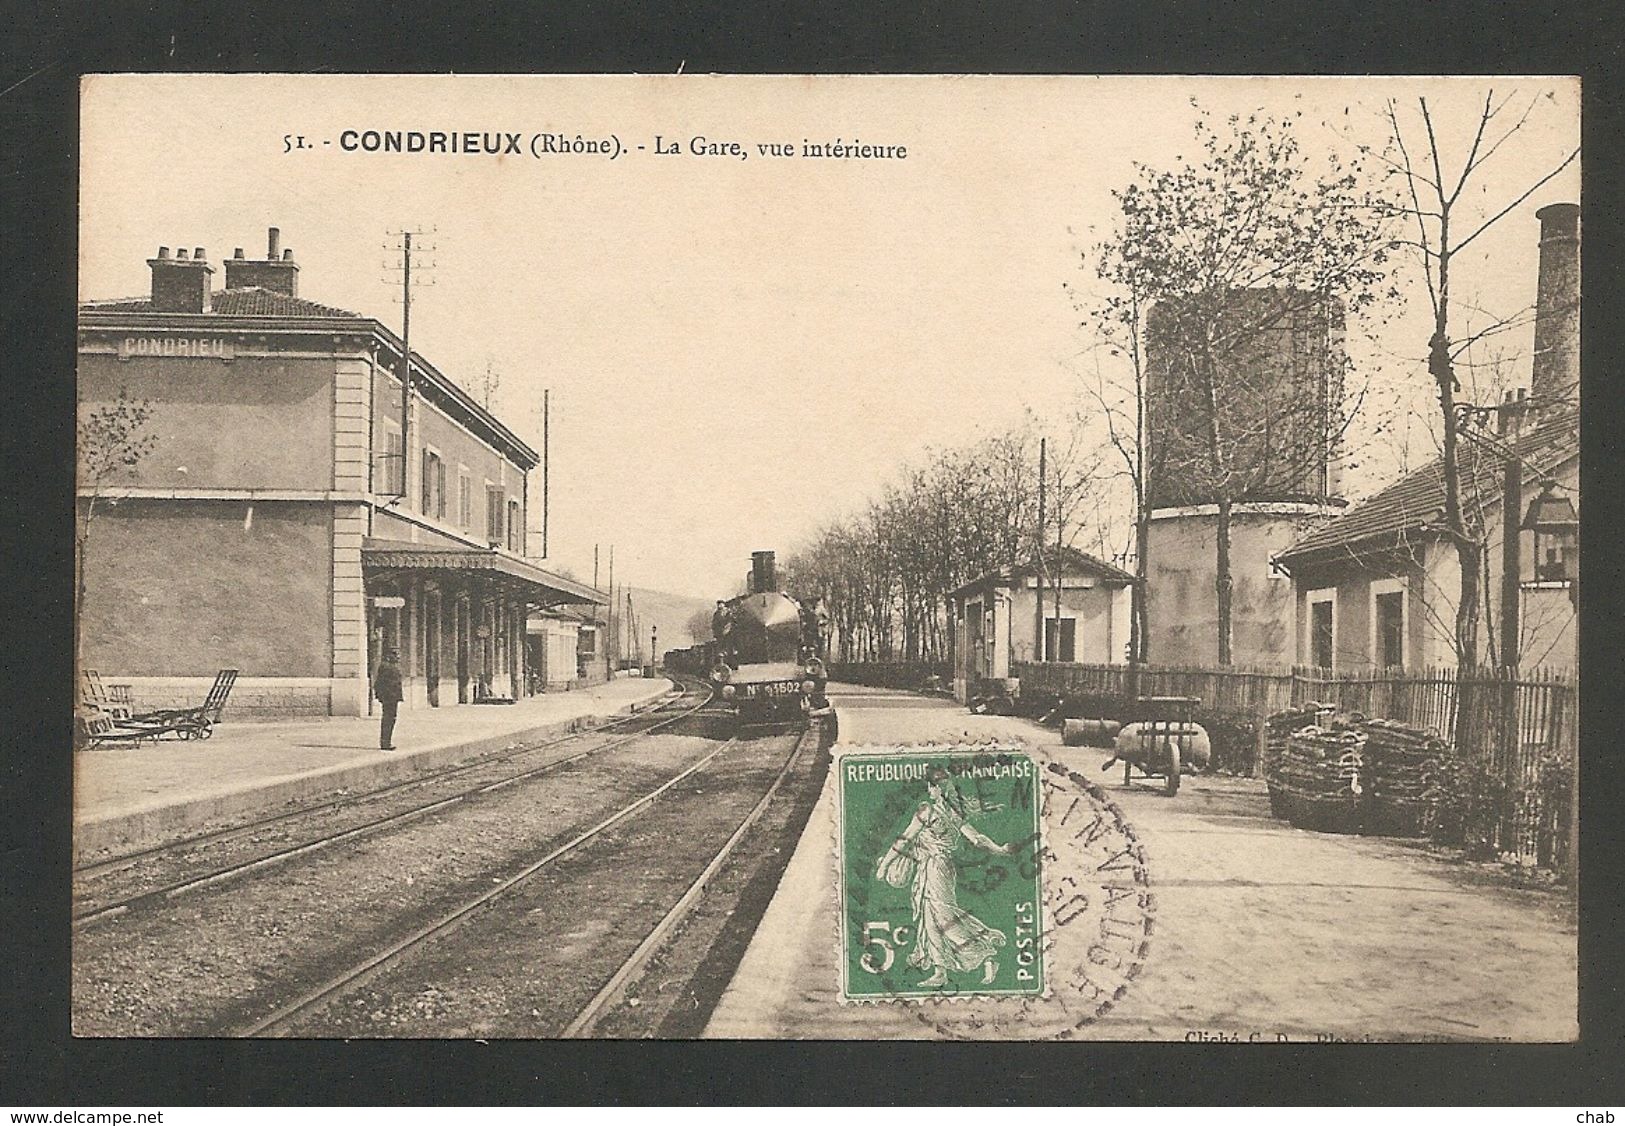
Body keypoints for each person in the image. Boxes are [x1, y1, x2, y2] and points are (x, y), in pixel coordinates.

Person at [875, 765, 1019, 988]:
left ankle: (986, 954)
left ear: (935, 789)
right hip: (941, 868)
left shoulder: (927, 811)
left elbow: (904, 841)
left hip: (935, 868)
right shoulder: (954, 814)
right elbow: (977, 838)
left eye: (931, 788)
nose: (929, 791)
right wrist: (999, 849)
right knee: (930, 918)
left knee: (943, 917)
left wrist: (884, 866)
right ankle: (940, 970)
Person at [373, 647, 403, 751]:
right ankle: (385, 743)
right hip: (389, 698)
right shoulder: (386, 666)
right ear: (388, 655)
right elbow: (380, 683)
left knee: (391, 719)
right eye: (395, 654)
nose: (398, 657)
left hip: (393, 697)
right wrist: (381, 696)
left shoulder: (392, 666)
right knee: (388, 719)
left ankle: (387, 742)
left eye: (398, 654)